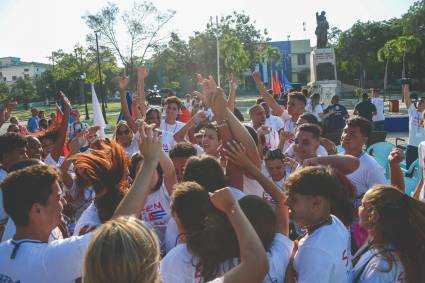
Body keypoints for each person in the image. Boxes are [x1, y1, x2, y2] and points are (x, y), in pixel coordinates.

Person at [0, 124, 163, 282]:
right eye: (57, 198)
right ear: (36, 209)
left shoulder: (3, 252)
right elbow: (115, 231)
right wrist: (149, 163)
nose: (63, 203)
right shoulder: (49, 259)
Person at [284, 166, 353, 283]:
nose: (286, 202)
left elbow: (317, 252)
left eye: (294, 199)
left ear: (316, 204)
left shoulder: (314, 251)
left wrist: (289, 268)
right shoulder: (335, 221)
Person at [353, 185, 425, 283]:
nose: (358, 208)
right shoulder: (403, 249)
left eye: (362, 205)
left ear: (373, 216)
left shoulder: (380, 268)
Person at [341, 117, 387, 208]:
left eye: (352, 134)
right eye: (345, 131)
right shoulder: (336, 158)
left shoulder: (371, 167)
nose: (345, 136)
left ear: (364, 139)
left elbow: (384, 197)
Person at [403, 78, 425, 169]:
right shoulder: (412, 111)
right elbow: (407, 98)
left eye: (422, 102)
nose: (419, 103)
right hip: (411, 146)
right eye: (419, 101)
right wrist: (406, 84)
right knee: (409, 171)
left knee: (422, 172)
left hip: (423, 147)